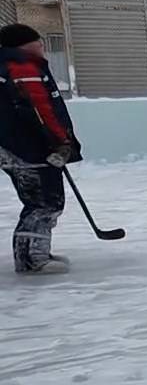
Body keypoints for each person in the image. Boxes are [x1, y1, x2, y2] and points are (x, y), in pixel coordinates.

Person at [0, 23, 80, 275]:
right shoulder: (23, 66)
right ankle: (33, 259)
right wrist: (60, 141)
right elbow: (39, 109)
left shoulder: (8, 65)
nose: (43, 46)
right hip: (30, 146)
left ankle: (30, 253)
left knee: (36, 201)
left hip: (14, 145)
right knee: (45, 202)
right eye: (39, 42)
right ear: (24, 45)